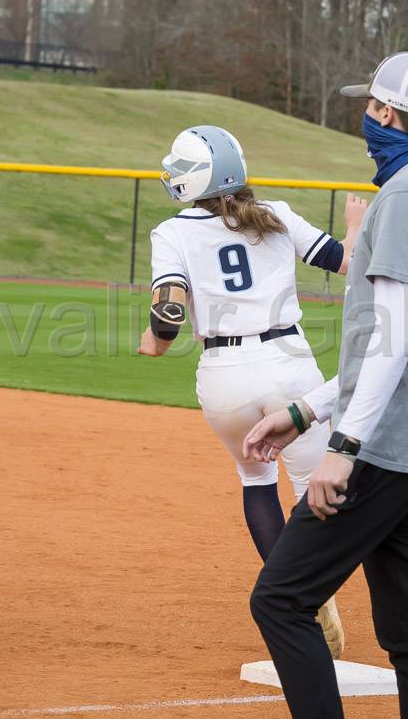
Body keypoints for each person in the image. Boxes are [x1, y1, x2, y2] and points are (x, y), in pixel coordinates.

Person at [242, 52, 408, 719]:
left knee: (280, 599)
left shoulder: (406, 196)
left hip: (381, 447)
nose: (366, 120)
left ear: (385, 113)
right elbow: (397, 344)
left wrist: (342, 444)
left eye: (371, 108)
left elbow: (393, 334)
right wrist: (306, 408)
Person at [138, 125, 367, 657]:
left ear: (193, 179)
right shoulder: (277, 213)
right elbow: (346, 263)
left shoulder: (171, 231)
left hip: (223, 374)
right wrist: (353, 226)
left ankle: (293, 596)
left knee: (255, 477)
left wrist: (155, 341)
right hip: (289, 364)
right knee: (319, 483)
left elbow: (167, 313)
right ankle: (314, 585)